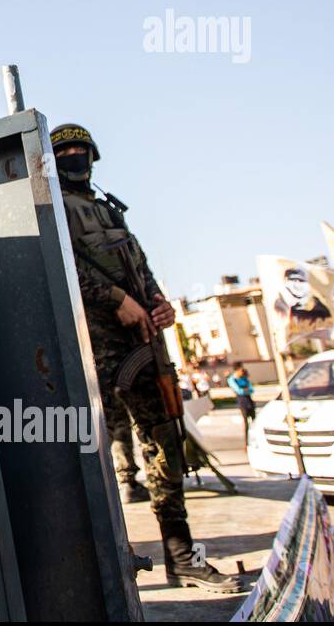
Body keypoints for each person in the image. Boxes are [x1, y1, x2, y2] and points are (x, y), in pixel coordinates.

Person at [50, 123, 241, 593]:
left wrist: (158, 302)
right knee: (91, 456)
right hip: (98, 350)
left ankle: (182, 557)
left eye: (81, 151)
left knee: (165, 448)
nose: (75, 158)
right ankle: (91, 574)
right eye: (66, 152)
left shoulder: (109, 211)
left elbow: (143, 267)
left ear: (93, 157)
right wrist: (114, 298)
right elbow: (60, 263)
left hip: (144, 346)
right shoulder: (53, 210)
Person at [226, 362, 257, 435]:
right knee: (246, 422)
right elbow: (238, 391)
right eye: (241, 369)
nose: (242, 370)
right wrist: (246, 390)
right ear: (237, 370)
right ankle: (247, 441)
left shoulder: (244, 378)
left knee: (254, 420)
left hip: (249, 400)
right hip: (242, 401)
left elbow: (251, 390)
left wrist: (245, 390)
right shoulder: (232, 379)